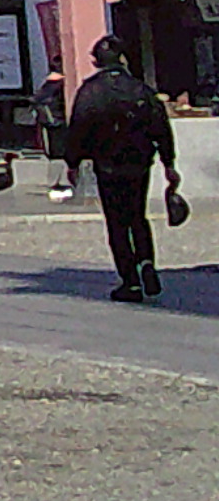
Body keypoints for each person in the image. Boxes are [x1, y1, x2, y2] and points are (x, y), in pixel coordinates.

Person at [63, 37, 182, 303]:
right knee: (138, 216)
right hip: (139, 163)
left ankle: (130, 282)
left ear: (95, 61)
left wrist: (72, 162)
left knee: (117, 223)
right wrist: (169, 163)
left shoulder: (90, 91)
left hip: (107, 165)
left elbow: (78, 128)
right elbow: (161, 126)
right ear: (123, 58)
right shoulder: (141, 89)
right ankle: (147, 262)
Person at [35, 63, 73, 200]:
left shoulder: (47, 85)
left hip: (51, 124)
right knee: (60, 154)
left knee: (55, 154)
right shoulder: (58, 86)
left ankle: (55, 183)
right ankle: (60, 183)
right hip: (58, 123)